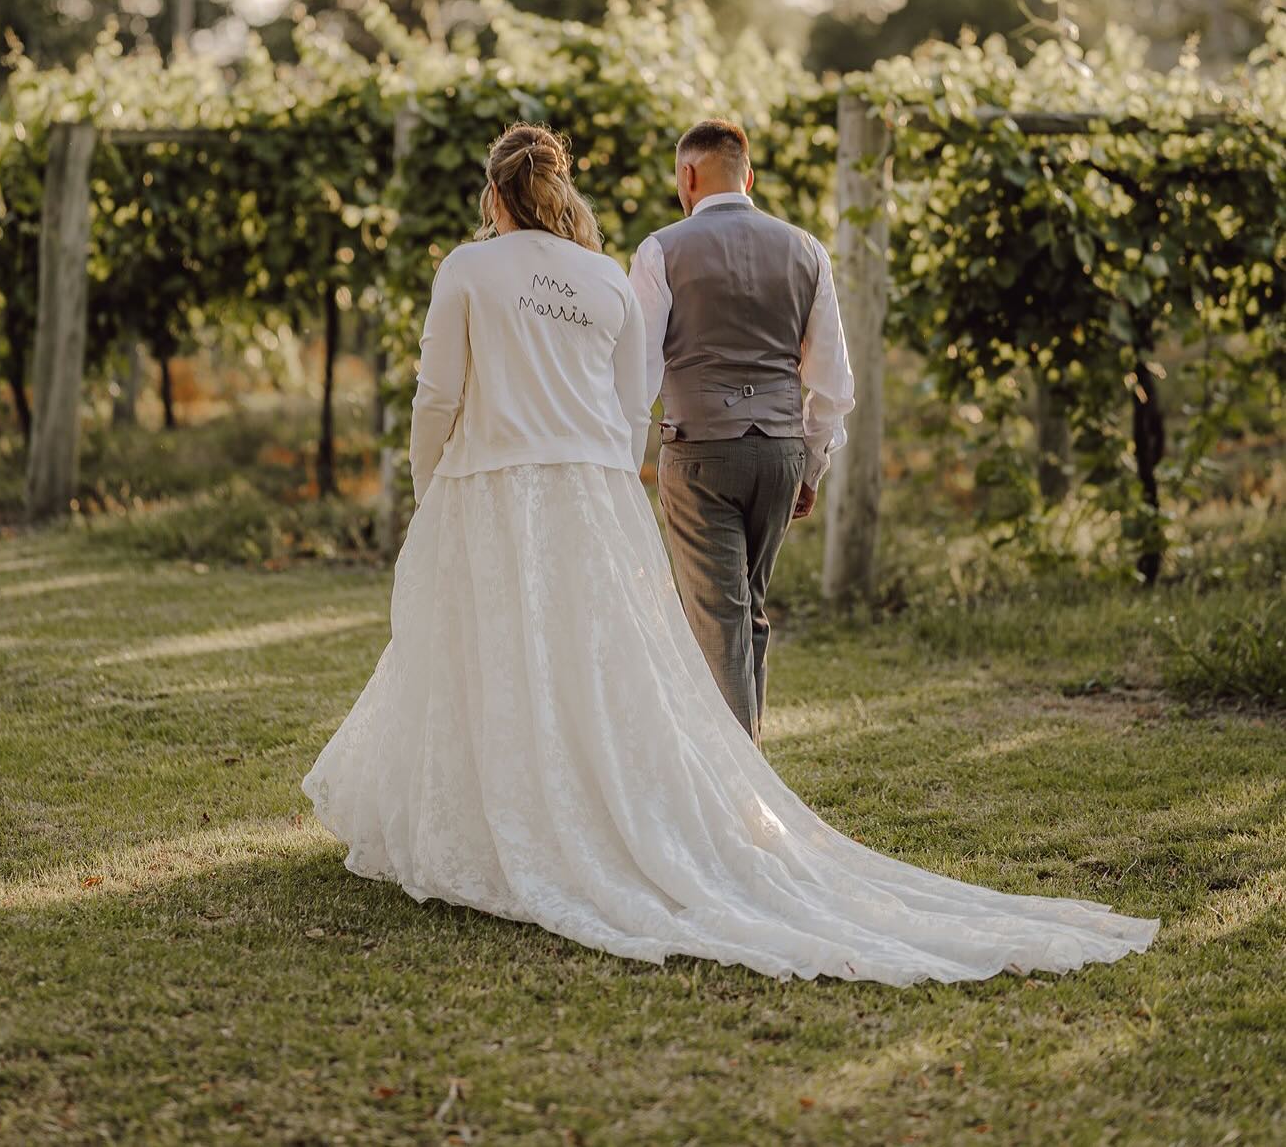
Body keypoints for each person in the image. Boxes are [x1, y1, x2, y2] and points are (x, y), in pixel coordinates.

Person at [302, 122, 1158, 985]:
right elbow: (630, 407)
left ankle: (544, 807)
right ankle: (656, 789)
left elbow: (441, 395)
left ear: (494, 194)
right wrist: (627, 485)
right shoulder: (612, 277)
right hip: (613, 487)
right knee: (609, 653)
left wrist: (430, 483)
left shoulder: (481, 266)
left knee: (501, 646)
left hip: (509, 483)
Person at [630, 119, 853, 746]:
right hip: (781, 453)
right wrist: (811, 464)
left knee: (719, 620)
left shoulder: (660, 251)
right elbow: (833, 383)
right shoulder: (807, 250)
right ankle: (748, 767)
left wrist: (620, 460)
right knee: (747, 612)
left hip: (700, 453)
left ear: (687, 176)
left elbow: (636, 373)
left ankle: (739, 783)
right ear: (747, 177)